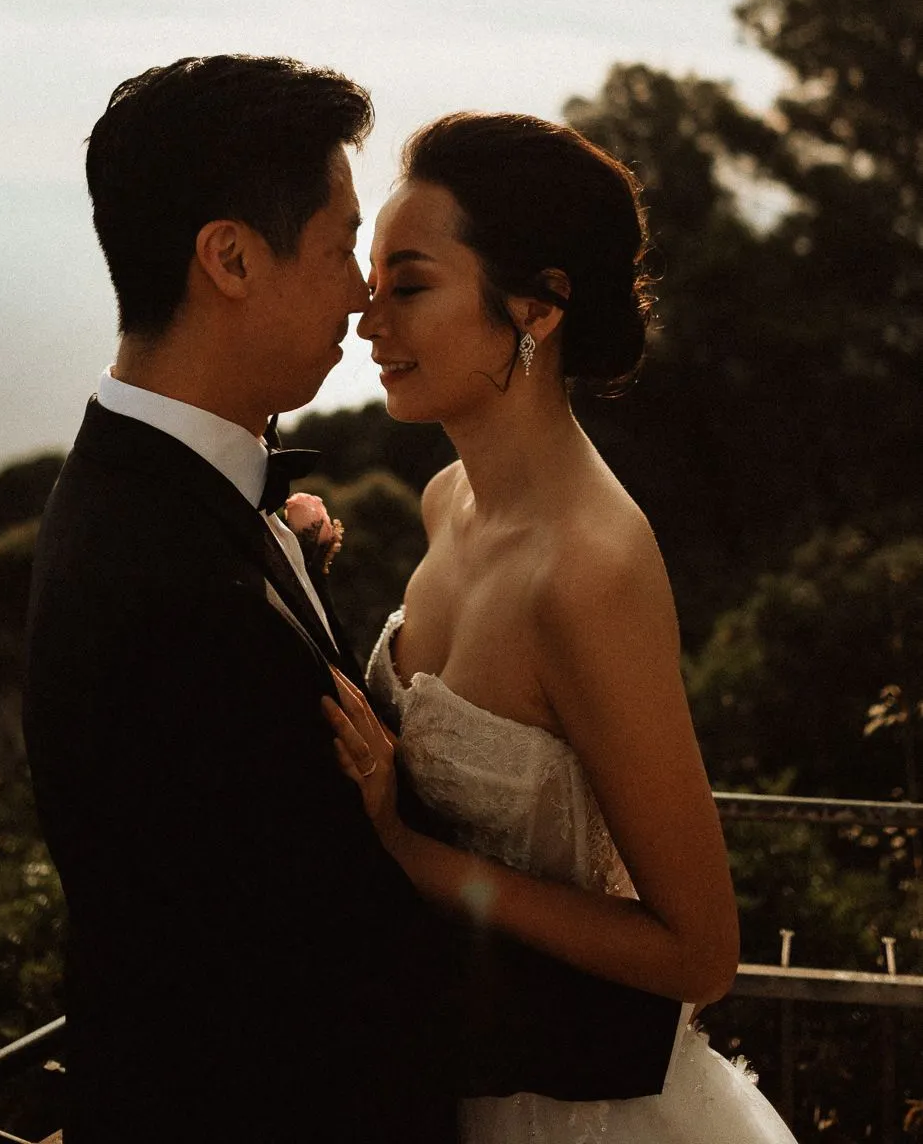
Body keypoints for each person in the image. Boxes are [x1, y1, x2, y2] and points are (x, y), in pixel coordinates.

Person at [24, 60, 681, 1144]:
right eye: (340, 252)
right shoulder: (163, 582)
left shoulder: (174, 503)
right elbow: (317, 971)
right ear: (229, 258)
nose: (357, 298)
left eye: (394, 273)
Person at [324, 110, 797, 1142]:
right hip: (448, 1083)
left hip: (588, 1111)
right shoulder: (444, 500)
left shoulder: (587, 571)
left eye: (406, 286)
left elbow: (699, 951)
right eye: (370, 286)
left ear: (534, 309)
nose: (368, 323)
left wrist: (413, 856)